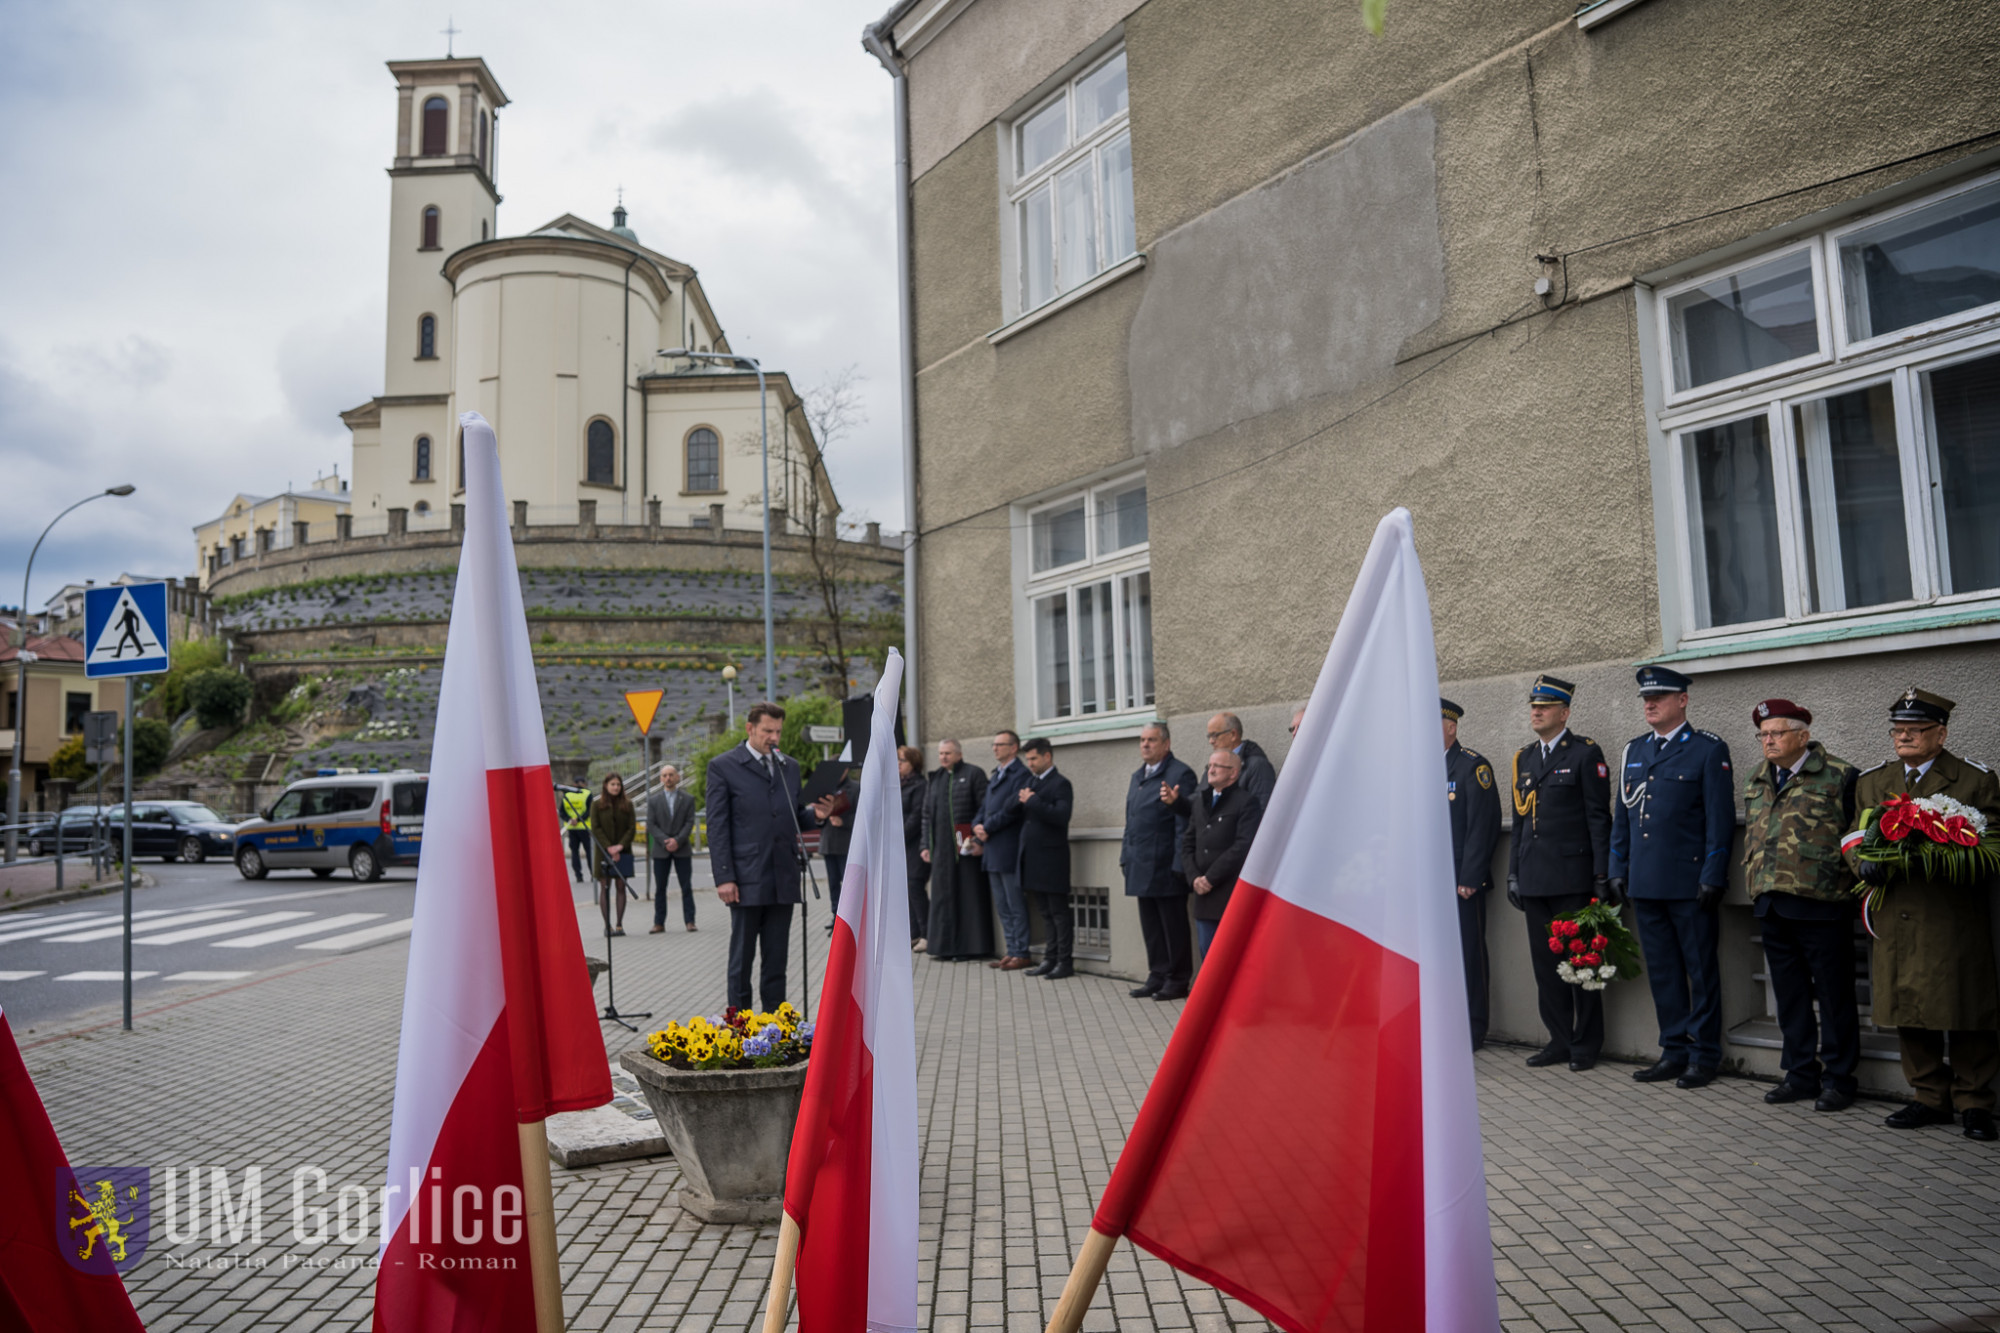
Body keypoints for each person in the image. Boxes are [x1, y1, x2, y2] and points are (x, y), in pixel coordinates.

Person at [1846, 688, 2000, 1142]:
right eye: (1898, 730)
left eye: (1914, 730)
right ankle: (1928, 1097)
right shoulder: (1874, 781)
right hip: (1897, 913)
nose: (1904, 737)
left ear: (1940, 734)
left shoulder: (1973, 780)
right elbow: (1853, 837)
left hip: (1951, 913)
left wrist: (1940, 855)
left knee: (1966, 1007)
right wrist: (1864, 864)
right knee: (1908, 1003)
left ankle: (1974, 1102)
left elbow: (1994, 845)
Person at [1608, 666, 1735, 1090]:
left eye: (1659, 696)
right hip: (1645, 882)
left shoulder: (1706, 750)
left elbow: (1718, 822)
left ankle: (1704, 1055)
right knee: (1662, 972)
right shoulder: (1634, 750)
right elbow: (1622, 820)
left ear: (1682, 700)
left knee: (1700, 972)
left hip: (1688, 883)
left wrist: (1713, 874)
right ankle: (1673, 1050)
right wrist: (1617, 869)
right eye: (1646, 697)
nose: (1650, 703)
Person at [1741, 699, 1859, 1113]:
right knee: (1789, 998)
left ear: (1803, 736)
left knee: (1834, 996)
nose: (1767, 741)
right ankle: (1800, 1074)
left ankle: (1840, 1080)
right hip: (1771, 903)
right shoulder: (1757, 778)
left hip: (1822, 905)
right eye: (1763, 734)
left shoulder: (1840, 775)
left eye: (1776, 733)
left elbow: (1854, 840)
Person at [1509, 674, 1613, 1073]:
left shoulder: (1584, 753)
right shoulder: (1525, 758)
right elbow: (1520, 822)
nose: (1536, 711)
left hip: (1573, 878)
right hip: (1535, 879)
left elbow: (1597, 819)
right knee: (1547, 968)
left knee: (1582, 963)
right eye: (1534, 706)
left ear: (1564, 712)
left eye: (1545, 707)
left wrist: (1601, 875)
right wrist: (1513, 874)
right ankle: (1559, 1039)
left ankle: (1586, 1043)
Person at [706, 702, 837, 1012]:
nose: (774, 737)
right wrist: (724, 876)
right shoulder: (723, 766)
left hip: (783, 875)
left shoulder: (788, 766)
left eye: (778, 731)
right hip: (746, 876)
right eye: (767, 731)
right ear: (750, 729)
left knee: (777, 958)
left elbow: (792, 816)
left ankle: (773, 1026)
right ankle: (739, 1026)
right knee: (742, 959)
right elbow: (717, 827)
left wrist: (817, 815)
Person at [1121, 722, 1197, 1000]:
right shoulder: (1137, 777)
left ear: (1166, 744)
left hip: (1166, 866)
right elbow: (1131, 821)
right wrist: (1124, 857)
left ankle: (1177, 980)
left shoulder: (1180, 773)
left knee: (1173, 927)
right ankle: (1157, 975)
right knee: (1151, 927)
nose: (1145, 744)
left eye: (1151, 740)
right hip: (1140, 863)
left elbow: (1184, 821)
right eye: (1142, 740)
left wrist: (1180, 864)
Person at [1443, 698, 1500, 1049]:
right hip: (1429, 884)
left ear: (1451, 727)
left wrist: (1470, 877)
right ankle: (1443, 1022)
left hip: (1461, 883)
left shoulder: (1471, 767)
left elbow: (1483, 826)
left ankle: (1473, 1027)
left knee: (1468, 955)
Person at [1180, 749, 1262, 968]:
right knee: (1208, 957)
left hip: (1227, 892)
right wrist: (1194, 877)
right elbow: (1188, 843)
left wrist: (1211, 878)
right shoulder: (1200, 801)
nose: (1211, 770)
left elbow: (1243, 845)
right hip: (1202, 894)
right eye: (1209, 765)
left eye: (1217, 766)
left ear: (1233, 773)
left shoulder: (1246, 802)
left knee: (1230, 959)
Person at [920, 739, 992, 961]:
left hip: (965, 845)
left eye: (948, 753)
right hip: (941, 849)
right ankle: (943, 947)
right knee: (943, 898)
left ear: (959, 754)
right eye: (941, 753)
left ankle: (968, 949)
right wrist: (925, 845)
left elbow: (985, 808)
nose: (943, 757)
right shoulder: (936, 779)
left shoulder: (974, 774)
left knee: (967, 895)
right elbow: (926, 816)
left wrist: (978, 841)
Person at [972, 731, 1033, 970]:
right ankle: (1011, 950)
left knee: (1015, 903)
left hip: (1008, 846)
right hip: (991, 848)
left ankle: (1022, 952)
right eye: (994, 744)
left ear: (1013, 748)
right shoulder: (996, 774)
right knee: (1002, 905)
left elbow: (1011, 808)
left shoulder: (1021, 775)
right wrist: (978, 825)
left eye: (1000, 745)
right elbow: (985, 807)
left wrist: (987, 826)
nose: (995, 749)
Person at [1016, 738, 1075, 979]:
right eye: (1027, 759)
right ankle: (1049, 959)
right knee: (1045, 913)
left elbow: (1061, 816)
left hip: (1053, 859)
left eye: (1033, 758)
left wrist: (1033, 801)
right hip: (1033, 859)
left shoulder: (1061, 784)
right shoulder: (1030, 782)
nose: (1029, 763)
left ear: (1047, 757)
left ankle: (1065, 961)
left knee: (1059, 912)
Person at [646, 764, 697, 934]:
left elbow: (690, 822)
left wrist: (678, 840)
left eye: (671, 775)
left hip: (682, 848)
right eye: (665, 775)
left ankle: (690, 920)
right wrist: (665, 840)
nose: (668, 778)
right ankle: (659, 922)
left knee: (686, 886)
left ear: (677, 777)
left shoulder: (688, 799)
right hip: (661, 850)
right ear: (661, 779)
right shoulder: (653, 800)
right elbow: (651, 824)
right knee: (660, 888)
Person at [589, 773, 636, 937]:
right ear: (606, 786)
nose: (616, 787)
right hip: (603, 853)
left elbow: (632, 828)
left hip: (623, 851)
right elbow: (595, 828)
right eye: (613, 784)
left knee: (621, 886)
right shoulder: (596, 805)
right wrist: (609, 848)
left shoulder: (628, 805)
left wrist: (620, 846)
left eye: (618, 784)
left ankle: (619, 925)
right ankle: (607, 925)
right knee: (605, 886)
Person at [1204, 712, 1276, 810]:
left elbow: (1261, 809)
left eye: (1215, 735)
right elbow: (1198, 801)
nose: (1211, 741)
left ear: (1233, 734)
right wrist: (1179, 801)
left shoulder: (1257, 766)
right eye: (1209, 736)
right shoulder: (1212, 767)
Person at [819, 770, 861, 924]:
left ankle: (851, 917)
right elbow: (816, 813)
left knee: (849, 883)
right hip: (829, 842)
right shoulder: (824, 788)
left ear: (845, 771)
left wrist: (844, 822)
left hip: (846, 843)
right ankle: (835, 915)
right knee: (833, 882)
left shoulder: (856, 788)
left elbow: (861, 814)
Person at [899, 746, 929, 952]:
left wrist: (898, 835)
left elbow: (916, 816)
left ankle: (926, 934)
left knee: (915, 887)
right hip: (901, 846)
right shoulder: (899, 784)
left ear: (913, 763)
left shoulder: (920, 785)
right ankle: (914, 933)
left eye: (903, 761)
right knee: (905, 890)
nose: (899, 764)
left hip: (915, 844)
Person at [560, 784, 592, 882]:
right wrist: (578, 820)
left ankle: (578, 876)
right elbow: (589, 811)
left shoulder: (567, 795)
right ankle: (593, 874)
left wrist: (570, 819)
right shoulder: (587, 794)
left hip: (572, 828)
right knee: (589, 852)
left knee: (574, 852)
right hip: (584, 827)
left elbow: (562, 812)